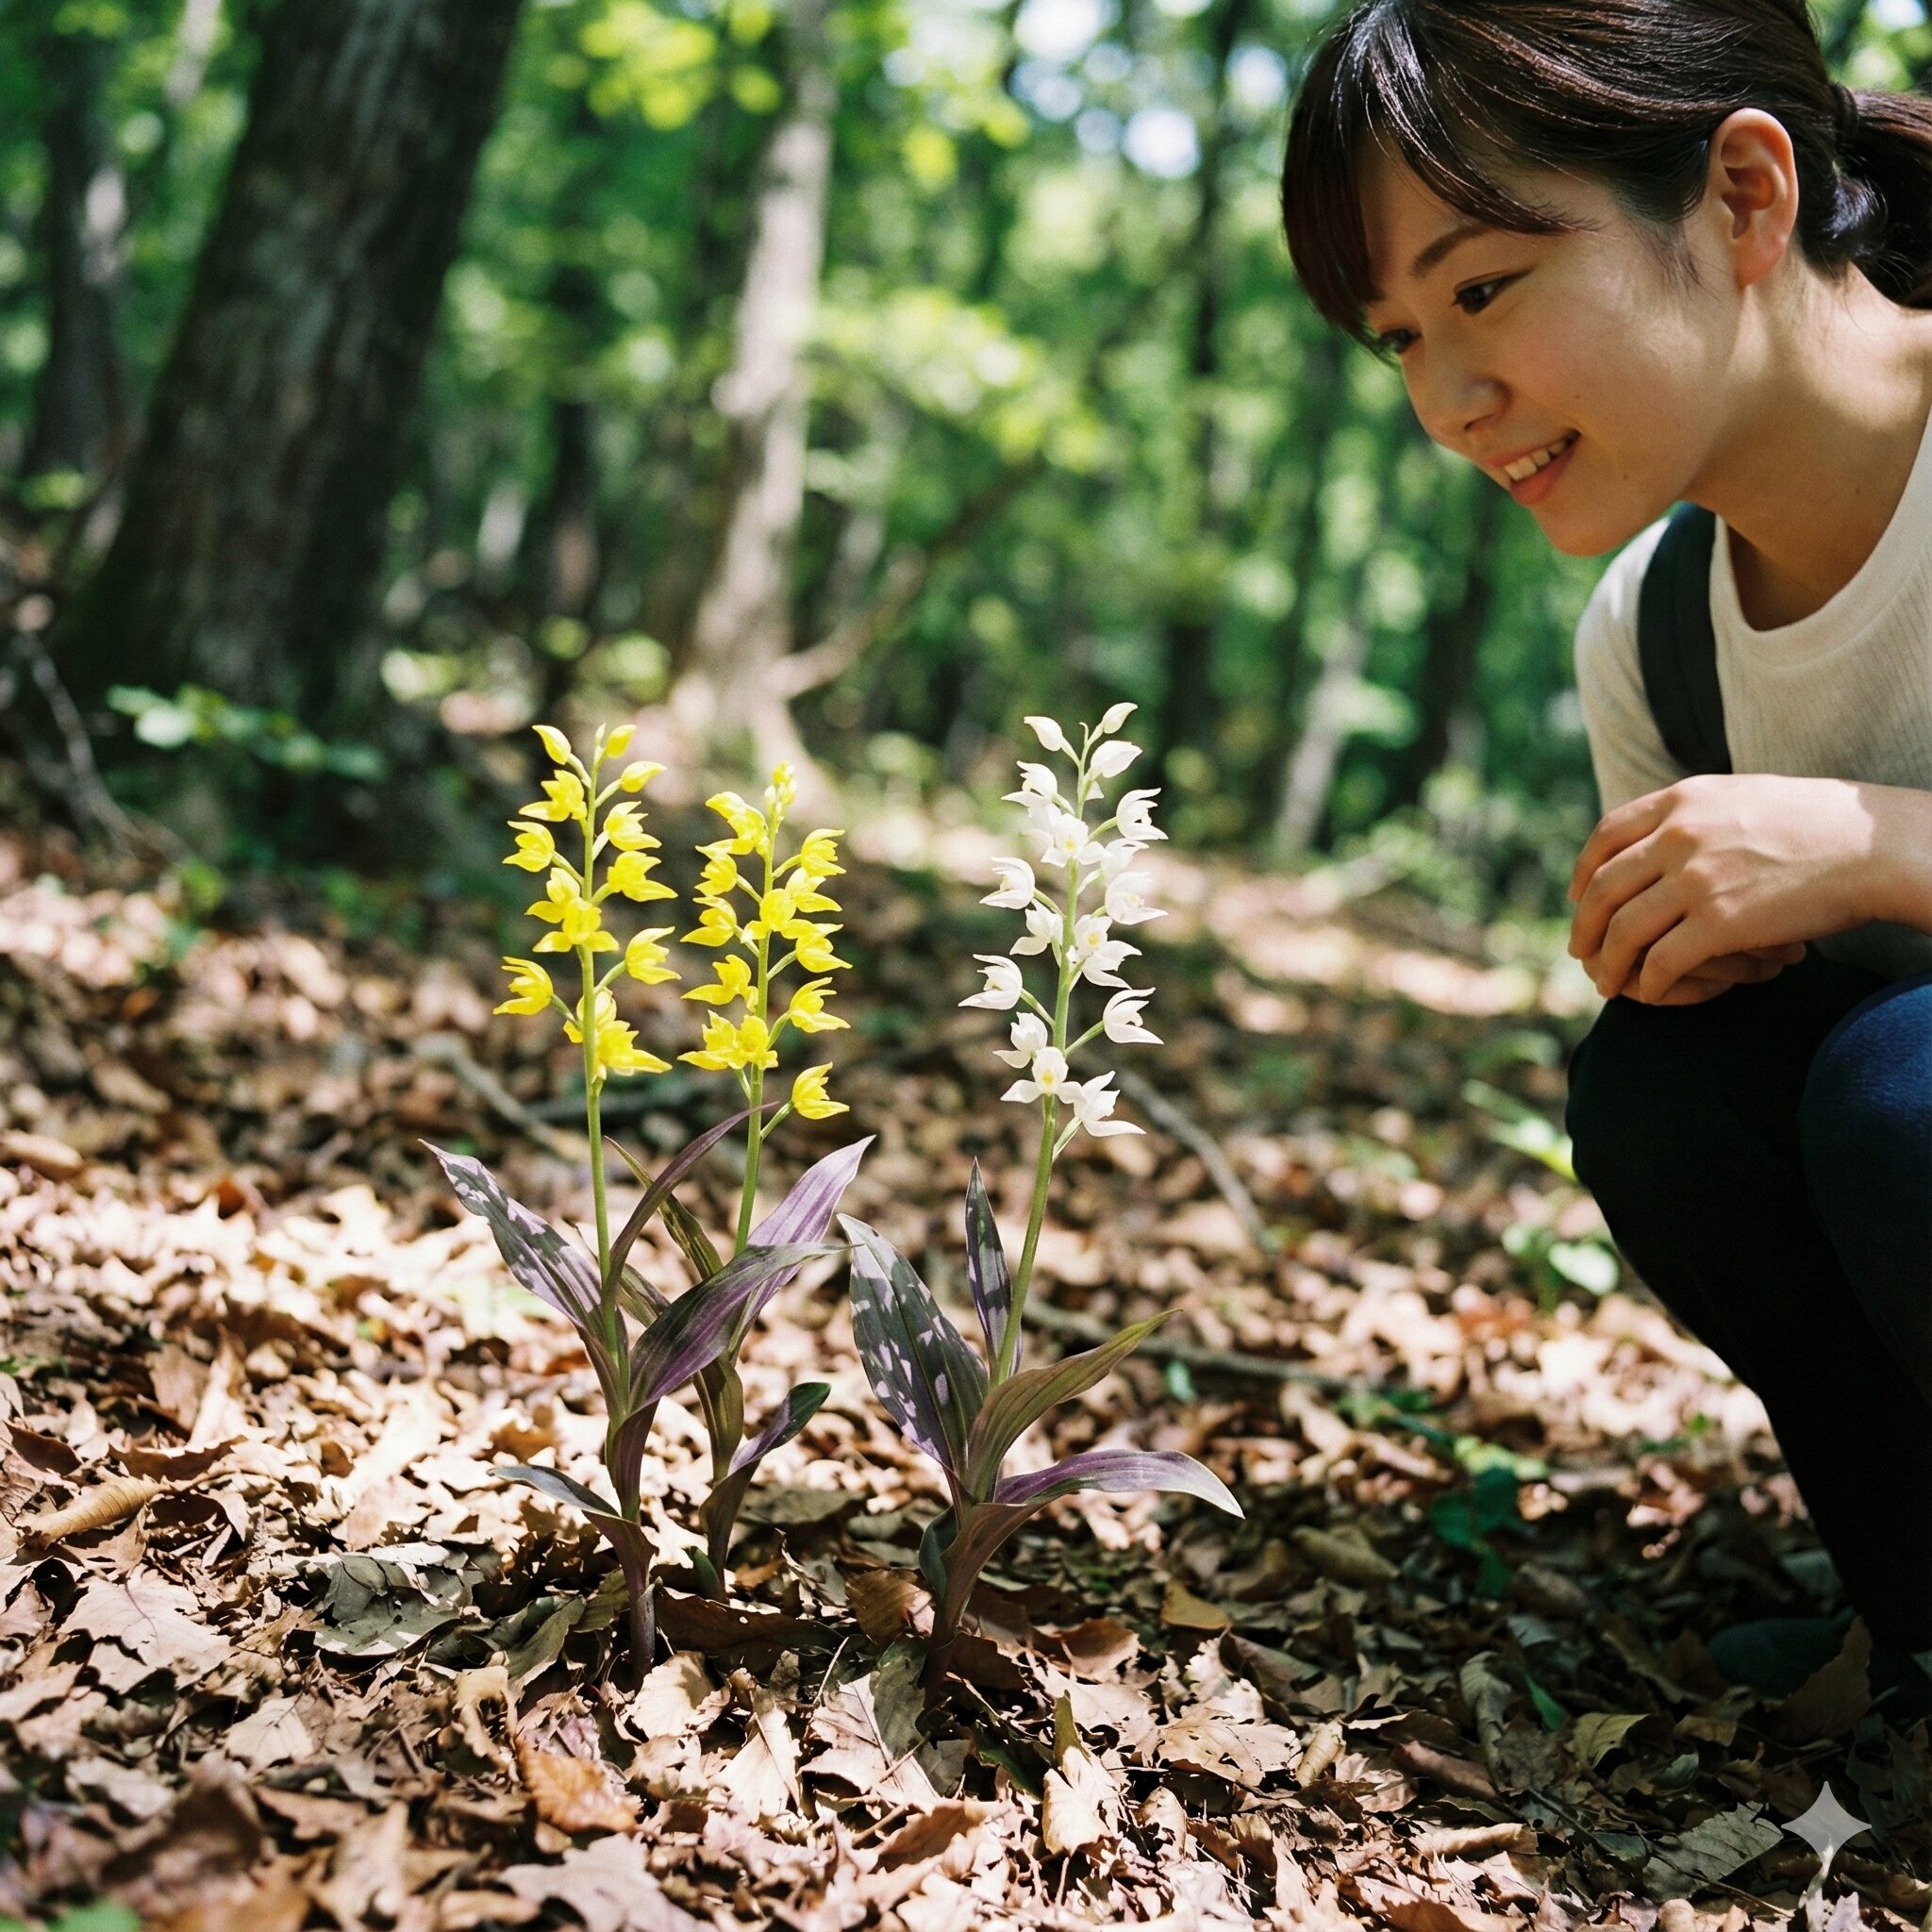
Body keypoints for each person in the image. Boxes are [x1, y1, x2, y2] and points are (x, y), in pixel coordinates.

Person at [1280, 0, 1932, 1721]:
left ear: (1740, 193)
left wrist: (1878, 849)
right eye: (1396, 336)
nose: (1445, 398)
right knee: (1671, 1090)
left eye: (1482, 289)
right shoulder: (1653, 635)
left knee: (1906, 1087)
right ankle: (1916, 1612)